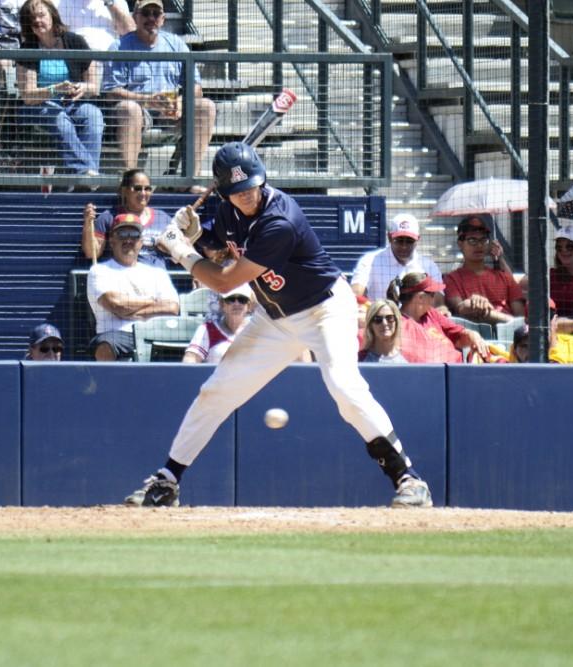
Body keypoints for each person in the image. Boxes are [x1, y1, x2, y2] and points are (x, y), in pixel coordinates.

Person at [124, 141, 433, 509]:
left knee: (345, 389)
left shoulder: (279, 220)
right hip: (275, 317)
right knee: (217, 390)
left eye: (252, 187)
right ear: (224, 192)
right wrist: (197, 236)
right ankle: (167, 480)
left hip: (324, 310)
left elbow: (225, 280)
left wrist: (181, 251)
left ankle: (409, 479)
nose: (247, 196)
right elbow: (223, 248)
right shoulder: (228, 210)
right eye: (237, 192)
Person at [100, 0, 216, 187]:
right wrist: (147, 100)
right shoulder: (119, 46)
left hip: (171, 111)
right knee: (128, 109)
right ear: (135, 17)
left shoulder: (176, 44)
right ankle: (131, 183)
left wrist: (180, 101)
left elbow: (196, 87)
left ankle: (190, 179)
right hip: (138, 110)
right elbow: (111, 92)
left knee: (205, 106)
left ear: (163, 18)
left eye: (156, 13)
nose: (151, 18)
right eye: (146, 13)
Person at [16, 0, 103, 179]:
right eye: (31, 18)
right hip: (39, 106)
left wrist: (83, 87)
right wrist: (55, 89)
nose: (37, 21)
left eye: (41, 15)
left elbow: (94, 86)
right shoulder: (28, 48)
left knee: (93, 115)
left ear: (53, 16)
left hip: (73, 102)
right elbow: (28, 96)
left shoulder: (74, 41)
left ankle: (87, 177)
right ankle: (86, 172)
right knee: (60, 119)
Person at [86, 213, 180, 361]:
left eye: (134, 234)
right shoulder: (99, 270)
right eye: (122, 234)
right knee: (104, 344)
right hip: (119, 334)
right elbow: (116, 305)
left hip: (156, 332)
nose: (128, 239)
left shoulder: (157, 273)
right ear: (112, 241)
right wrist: (152, 301)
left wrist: (129, 311)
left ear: (141, 241)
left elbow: (173, 308)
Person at [443, 215, 525, 324]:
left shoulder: (504, 277)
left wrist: (499, 258)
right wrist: (474, 304)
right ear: (460, 244)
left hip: (508, 334)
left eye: (483, 240)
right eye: (472, 240)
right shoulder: (452, 279)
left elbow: (520, 317)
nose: (479, 245)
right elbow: (460, 309)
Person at [82, 168, 172, 267]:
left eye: (147, 189)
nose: (143, 193)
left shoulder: (163, 218)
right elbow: (92, 253)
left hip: (157, 279)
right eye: (137, 188)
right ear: (125, 191)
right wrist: (88, 222)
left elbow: (180, 248)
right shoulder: (108, 218)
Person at [390, 272, 487, 364]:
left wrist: (473, 336)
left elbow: (458, 336)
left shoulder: (432, 314)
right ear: (420, 298)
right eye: (432, 294)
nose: (434, 298)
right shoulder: (396, 324)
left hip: (455, 371)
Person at [350, 213, 444, 304]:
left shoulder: (429, 266)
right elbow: (356, 294)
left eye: (409, 241)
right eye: (399, 241)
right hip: (382, 318)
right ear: (390, 238)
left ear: (417, 240)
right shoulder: (369, 261)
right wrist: (372, 309)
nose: (404, 246)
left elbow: (439, 302)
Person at [182, 284, 253, 364]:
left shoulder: (258, 330)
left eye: (242, 299)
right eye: (231, 299)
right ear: (222, 304)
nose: (236, 303)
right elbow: (191, 359)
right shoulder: (207, 329)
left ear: (249, 306)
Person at [55, 0, 134, 51]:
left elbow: (130, 31)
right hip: (78, 61)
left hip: (110, 59)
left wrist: (109, 3)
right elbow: (60, 34)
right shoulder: (62, 3)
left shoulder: (118, 2)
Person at [359, 299, 407, 363]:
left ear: (396, 322)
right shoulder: (359, 360)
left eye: (390, 318)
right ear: (370, 325)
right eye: (378, 319)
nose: (384, 323)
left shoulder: (405, 360)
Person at [550, 221, 573, 319]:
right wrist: (501, 258)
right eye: (559, 247)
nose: (564, 250)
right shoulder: (550, 276)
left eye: (569, 246)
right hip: (553, 330)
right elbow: (513, 285)